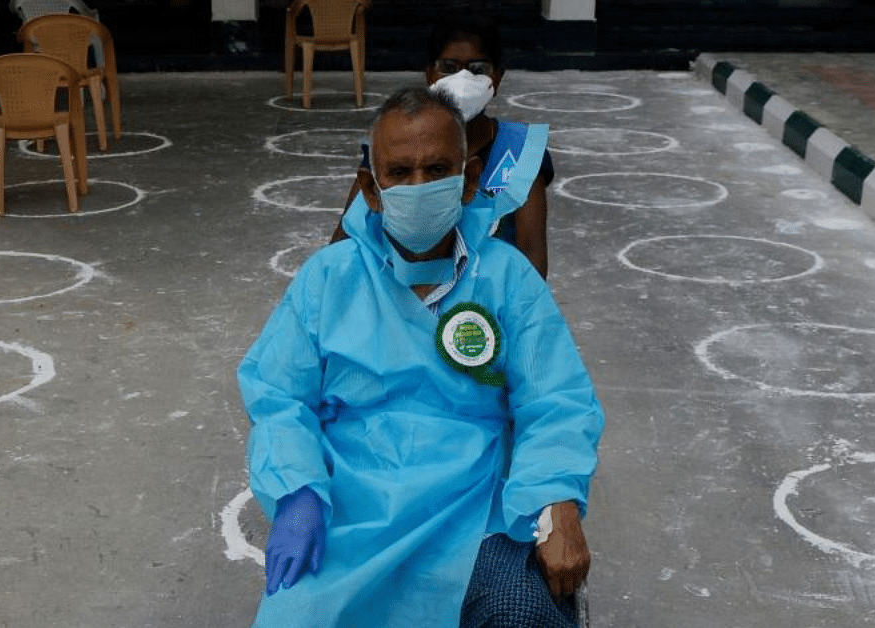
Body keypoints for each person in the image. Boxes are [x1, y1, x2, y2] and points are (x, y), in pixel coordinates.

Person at [239, 86, 603, 627]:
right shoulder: (328, 278)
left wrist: (557, 501)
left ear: (470, 178)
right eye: (400, 172)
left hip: (477, 510)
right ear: (371, 187)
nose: (419, 186)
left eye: (437, 170)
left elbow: (555, 400)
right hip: (352, 509)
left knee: (524, 614)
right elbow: (279, 396)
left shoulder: (505, 276)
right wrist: (296, 491)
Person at [332, 13, 554, 279]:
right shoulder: (394, 145)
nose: (462, 78)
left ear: (497, 77)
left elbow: (533, 255)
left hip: (487, 307)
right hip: (400, 297)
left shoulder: (522, 151)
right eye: (448, 66)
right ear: (429, 74)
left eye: (477, 69)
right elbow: (344, 243)